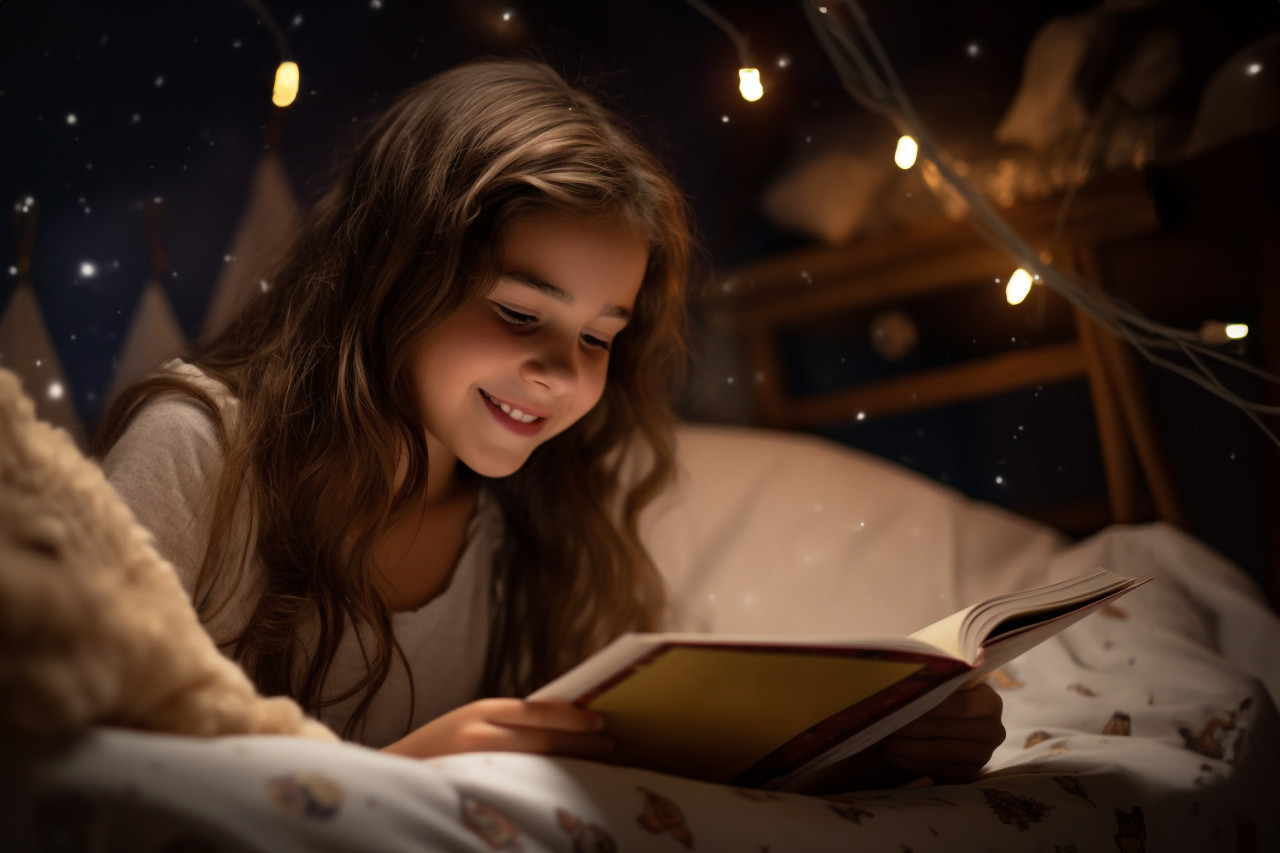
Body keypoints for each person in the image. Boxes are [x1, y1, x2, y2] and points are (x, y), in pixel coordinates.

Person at [94, 58, 1002, 786]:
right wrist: (395, 777)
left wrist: (878, 744)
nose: (564, 375)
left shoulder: (537, 510)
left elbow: (632, 753)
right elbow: (70, 776)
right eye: (521, 315)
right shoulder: (200, 451)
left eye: (601, 338)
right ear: (393, 273)